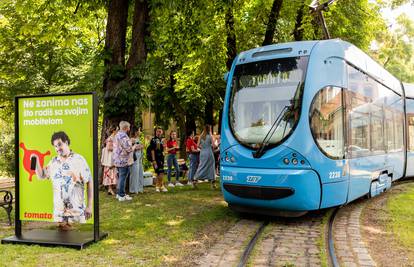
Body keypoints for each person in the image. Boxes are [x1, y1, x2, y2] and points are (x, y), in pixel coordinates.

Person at [33, 131, 92, 230]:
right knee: (63, 239)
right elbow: (41, 176)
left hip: (76, 211)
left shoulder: (79, 160)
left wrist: (90, 206)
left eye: (59, 144)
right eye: (55, 146)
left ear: (67, 142)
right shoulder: (53, 162)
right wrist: (36, 161)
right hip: (59, 212)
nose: (57, 148)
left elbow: (89, 182)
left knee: (75, 238)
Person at [113, 121, 136, 201]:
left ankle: (119, 193)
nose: (129, 129)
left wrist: (130, 141)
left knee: (120, 177)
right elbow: (128, 148)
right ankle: (122, 195)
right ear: (126, 128)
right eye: (129, 127)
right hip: (123, 160)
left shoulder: (117, 135)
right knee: (123, 177)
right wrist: (134, 146)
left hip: (117, 159)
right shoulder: (123, 136)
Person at [149, 127, 168, 192]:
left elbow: (165, 150)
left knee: (161, 173)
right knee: (159, 172)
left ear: (162, 132)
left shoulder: (163, 140)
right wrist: (154, 160)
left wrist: (165, 149)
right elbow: (152, 151)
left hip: (161, 158)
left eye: (160, 131)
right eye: (158, 131)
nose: (159, 132)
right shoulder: (153, 140)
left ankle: (160, 186)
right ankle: (159, 186)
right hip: (156, 159)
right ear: (155, 132)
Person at [101, 126, 118, 195]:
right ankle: (110, 188)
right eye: (117, 130)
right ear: (113, 131)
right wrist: (117, 148)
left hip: (112, 157)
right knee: (110, 172)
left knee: (113, 172)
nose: (118, 131)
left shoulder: (114, 138)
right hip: (110, 159)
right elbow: (108, 148)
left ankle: (111, 188)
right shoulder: (110, 138)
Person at [129, 126, 144, 194]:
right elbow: (132, 148)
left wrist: (140, 146)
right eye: (139, 130)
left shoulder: (138, 138)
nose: (140, 132)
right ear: (135, 132)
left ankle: (139, 188)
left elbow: (141, 146)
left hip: (139, 157)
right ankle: (133, 189)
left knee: (140, 173)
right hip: (134, 158)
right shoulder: (131, 139)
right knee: (134, 174)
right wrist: (139, 146)